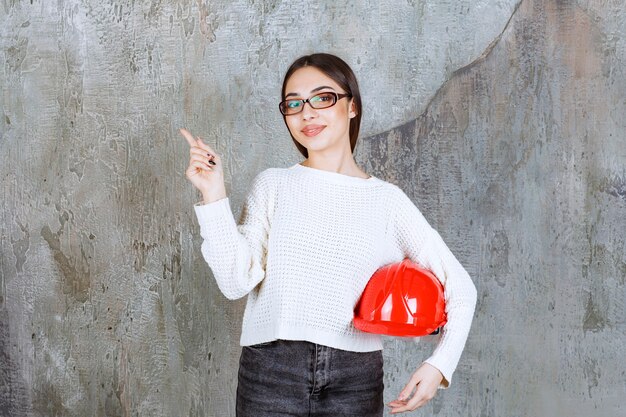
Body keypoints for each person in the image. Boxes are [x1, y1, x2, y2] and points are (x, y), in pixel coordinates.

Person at [180, 53, 477, 416]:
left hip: (356, 377)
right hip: (272, 370)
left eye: (323, 98)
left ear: (351, 106)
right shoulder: (274, 185)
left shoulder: (387, 202)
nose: (307, 113)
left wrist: (439, 365)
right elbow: (233, 280)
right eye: (294, 104)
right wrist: (213, 194)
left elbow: (460, 288)